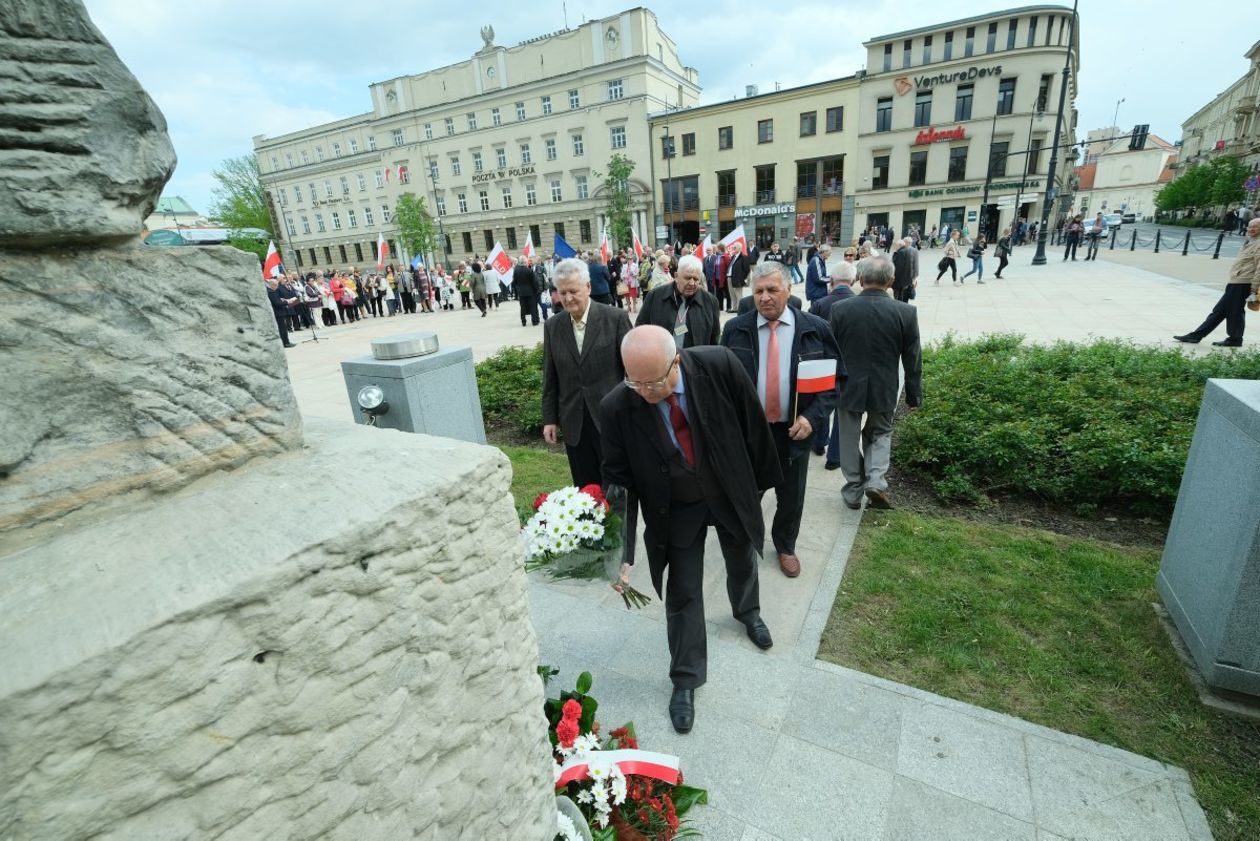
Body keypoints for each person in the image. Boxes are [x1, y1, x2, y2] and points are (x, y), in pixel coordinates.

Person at [600, 325, 781, 733]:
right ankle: (685, 678)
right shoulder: (616, 407)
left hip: (727, 489)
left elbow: (753, 425)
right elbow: (618, 482)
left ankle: (747, 611)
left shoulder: (718, 365)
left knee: (742, 556)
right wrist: (619, 554)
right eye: (635, 382)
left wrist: (759, 489)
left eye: (654, 382)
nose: (645, 392)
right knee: (683, 591)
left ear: (676, 362)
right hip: (675, 507)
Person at [721, 263, 842, 578]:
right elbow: (721, 383)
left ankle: (785, 545)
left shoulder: (815, 329)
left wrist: (812, 418)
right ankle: (748, 539)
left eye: (772, 290)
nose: (764, 297)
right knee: (748, 494)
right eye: (758, 291)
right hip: (752, 436)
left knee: (791, 497)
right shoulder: (736, 330)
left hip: (795, 433)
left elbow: (835, 383)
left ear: (788, 290)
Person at [828, 255, 923, 510]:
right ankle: (876, 481)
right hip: (884, 386)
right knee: (880, 433)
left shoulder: (840, 309)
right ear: (891, 281)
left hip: (848, 387)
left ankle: (854, 489)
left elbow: (830, 352)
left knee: (847, 438)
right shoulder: (906, 312)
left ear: (859, 278)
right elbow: (913, 359)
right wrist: (914, 396)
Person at [541, 258, 631, 487]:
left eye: (573, 291)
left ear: (588, 287)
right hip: (574, 423)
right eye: (562, 292)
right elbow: (550, 377)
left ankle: (620, 525)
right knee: (585, 490)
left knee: (617, 488)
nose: (568, 298)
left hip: (610, 421)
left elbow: (631, 371)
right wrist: (550, 419)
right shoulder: (553, 326)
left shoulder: (615, 318)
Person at [1175, 216, 1260, 347]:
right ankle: (1196, 335)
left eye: (1255, 226)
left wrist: (1253, 288)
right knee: (1220, 311)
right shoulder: (1250, 241)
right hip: (1237, 281)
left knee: (1235, 311)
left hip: (1244, 282)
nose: (1251, 229)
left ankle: (1235, 339)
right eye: (1250, 226)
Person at [635, 255, 721, 350]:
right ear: (676, 276)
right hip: (661, 360)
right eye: (687, 278)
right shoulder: (655, 296)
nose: (692, 283)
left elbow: (714, 339)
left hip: (695, 361)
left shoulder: (710, 302)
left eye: (696, 279)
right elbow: (640, 330)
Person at [264, 275, 298, 348]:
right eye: (276, 286)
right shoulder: (271, 292)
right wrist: (287, 302)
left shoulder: (271, 291)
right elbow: (277, 303)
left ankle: (286, 342)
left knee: (282, 328)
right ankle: (286, 343)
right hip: (278, 313)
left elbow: (277, 300)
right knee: (282, 329)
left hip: (279, 312)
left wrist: (282, 300)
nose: (277, 287)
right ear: (273, 285)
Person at [512, 256, 540, 326]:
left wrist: (517, 291)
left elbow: (514, 282)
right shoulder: (529, 270)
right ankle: (534, 321)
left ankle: (523, 321)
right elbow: (534, 282)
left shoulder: (516, 270)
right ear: (525, 262)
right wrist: (536, 291)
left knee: (523, 307)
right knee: (533, 307)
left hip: (521, 292)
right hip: (530, 292)